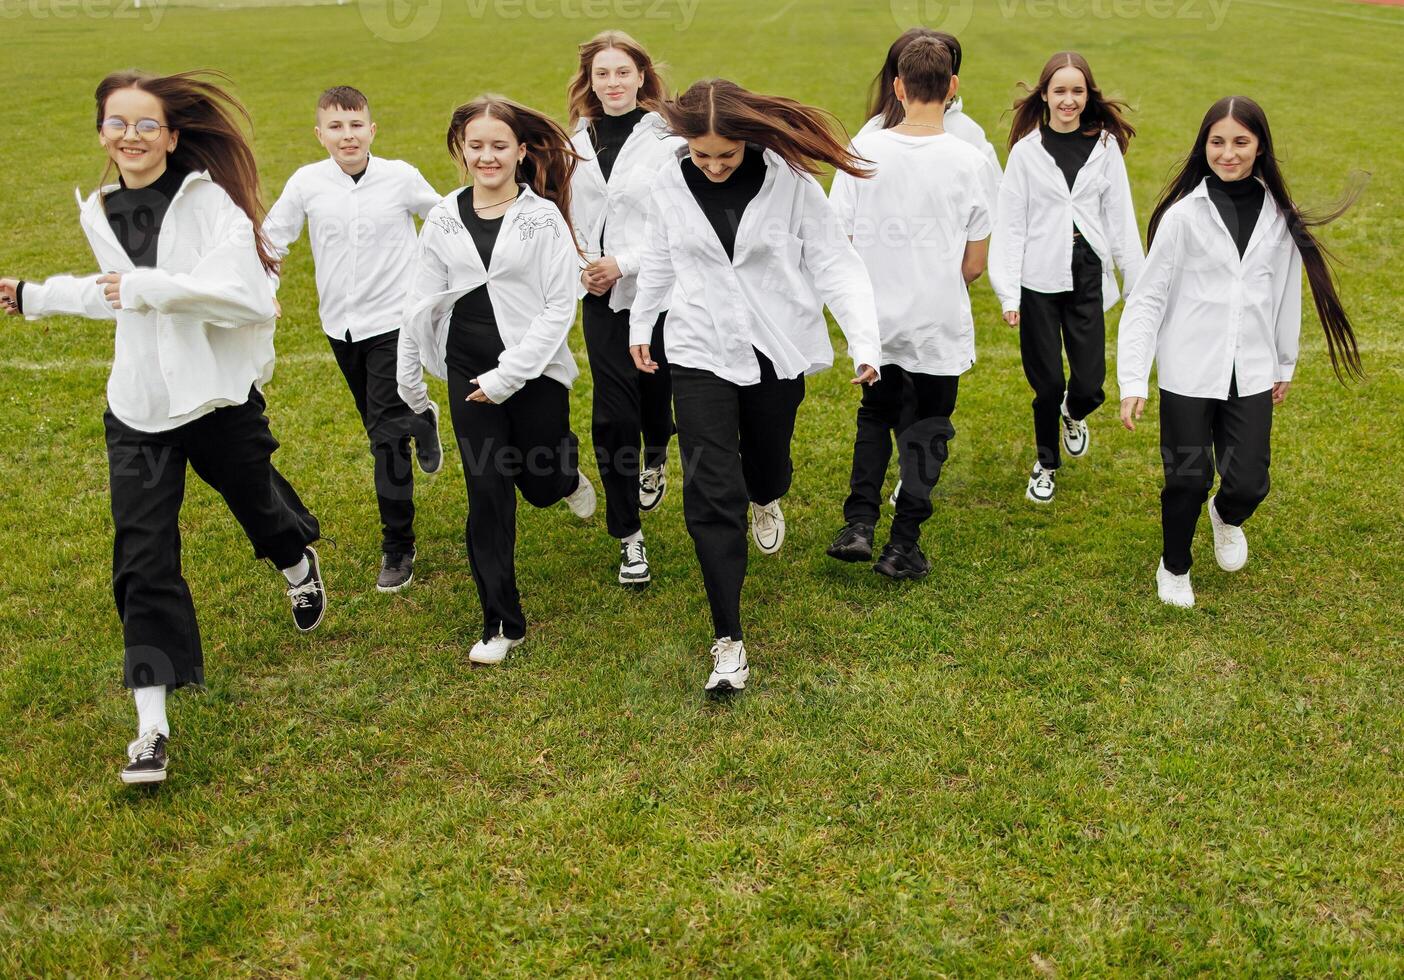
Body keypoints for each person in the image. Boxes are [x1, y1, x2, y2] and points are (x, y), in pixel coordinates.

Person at [0, 70, 325, 786]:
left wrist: (148, 288)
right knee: (141, 558)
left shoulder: (214, 208)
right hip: (139, 407)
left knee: (260, 509)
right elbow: (114, 297)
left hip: (216, 402)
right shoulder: (102, 209)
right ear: (100, 133)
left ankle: (296, 560)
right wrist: (33, 296)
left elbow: (244, 299)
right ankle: (151, 726)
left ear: (173, 137)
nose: (132, 137)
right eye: (118, 123)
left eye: (147, 125)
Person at [629, 78, 881, 694]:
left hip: (776, 347)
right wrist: (643, 321)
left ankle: (767, 497)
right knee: (711, 490)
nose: (714, 166)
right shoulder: (665, 182)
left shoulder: (791, 181)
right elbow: (662, 254)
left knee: (765, 468)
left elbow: (834, 263)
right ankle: (728, 639)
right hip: (697, 348)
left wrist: (864, 342)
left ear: (749, 141)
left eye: (727, 155)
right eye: (701, 155)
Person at [1117, 96, 1363, 607]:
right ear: (1204, 146)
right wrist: (1133, 379)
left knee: (1249, 482)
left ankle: (1225, 517)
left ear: (1260, 147)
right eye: (1217, 142)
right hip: (1188, 370)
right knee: (1187, 477)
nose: (1228, 153)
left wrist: (1284, 362)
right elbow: (1147, 299)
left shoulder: (1279, 218)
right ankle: (1175, 566)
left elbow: (1284, 291)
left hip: (1250, 370)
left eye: (1240, 142)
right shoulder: (1183, 217)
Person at [397, 95, 596, 667]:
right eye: (476, 146)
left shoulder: (542, 218)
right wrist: (410, 377)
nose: (487, 156)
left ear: (520, 151)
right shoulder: (441, 216)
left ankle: (565, 476)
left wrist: (508, 377)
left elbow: (560, 307)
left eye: (499, 146)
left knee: (537, 482)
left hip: (532, 370)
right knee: (487, 491)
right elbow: (420, 299)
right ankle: (501, 620)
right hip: (466, 369)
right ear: (461, 150)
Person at [263, 85, 443, 593]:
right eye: (336, 127)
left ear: (372, 129)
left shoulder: (400, 177)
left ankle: (398, 546)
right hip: (339, 327)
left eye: (356, 125)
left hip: (395, 322)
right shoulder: (307, 183)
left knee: (385, 443)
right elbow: (272, 239)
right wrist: (264, 289)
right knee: (382, 428)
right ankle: (422, 419)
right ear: (319, 134)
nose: (348, 136)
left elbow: (446, 219)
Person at [827, 37, 993, 580]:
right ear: (951, 88)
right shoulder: (970, 161)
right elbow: (974, 263)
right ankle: (903, 546)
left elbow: (839, 241)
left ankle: (857, 525)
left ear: (897, 87)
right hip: (939, 327)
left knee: (874, 419)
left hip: (878, 324)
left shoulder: (862, 152)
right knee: (928, 431)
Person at [989, 51, 1143, 504]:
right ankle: (1046, 464)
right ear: (1044, 96)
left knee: (1090, 385)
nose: (1069, 100)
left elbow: (1120, 219)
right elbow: (1011, 225)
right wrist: (1008, 292)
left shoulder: (1105, 148)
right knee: (1048, 384)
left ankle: (1074, 414)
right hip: (1038, 280)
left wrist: (1136, 283)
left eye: (1077, 91)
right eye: (1060, 91)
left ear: (1087, 96)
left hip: (1087, 275)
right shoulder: (1025, 153)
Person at [566, 30, 684, 588]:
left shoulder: (667, 138)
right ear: (590, 82)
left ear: (642, 76)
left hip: (660, 294)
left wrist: (626, 261)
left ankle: (657, 453)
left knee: (655, 401)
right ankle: (628, 537)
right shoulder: (575, 142)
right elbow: (566, 217)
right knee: (613, 416)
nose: (612, 83)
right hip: (602, 301)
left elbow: (679, 221)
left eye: (622, 72)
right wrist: (585, 265)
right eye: (602, 74)